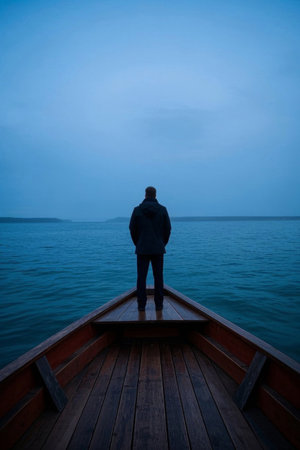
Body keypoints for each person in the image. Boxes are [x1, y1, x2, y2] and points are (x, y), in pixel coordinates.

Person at [129, 186, 171, 311]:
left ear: (145, 195)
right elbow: (168, 229)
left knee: (141, 277)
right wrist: (162, 243)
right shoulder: (163, 210)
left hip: (142, 249)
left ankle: (141, 305)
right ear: (155, 195)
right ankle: (159, 304)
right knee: (159, 277)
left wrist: (138, 243)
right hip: (158, 249)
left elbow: (132, 229)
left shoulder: (137, 210)